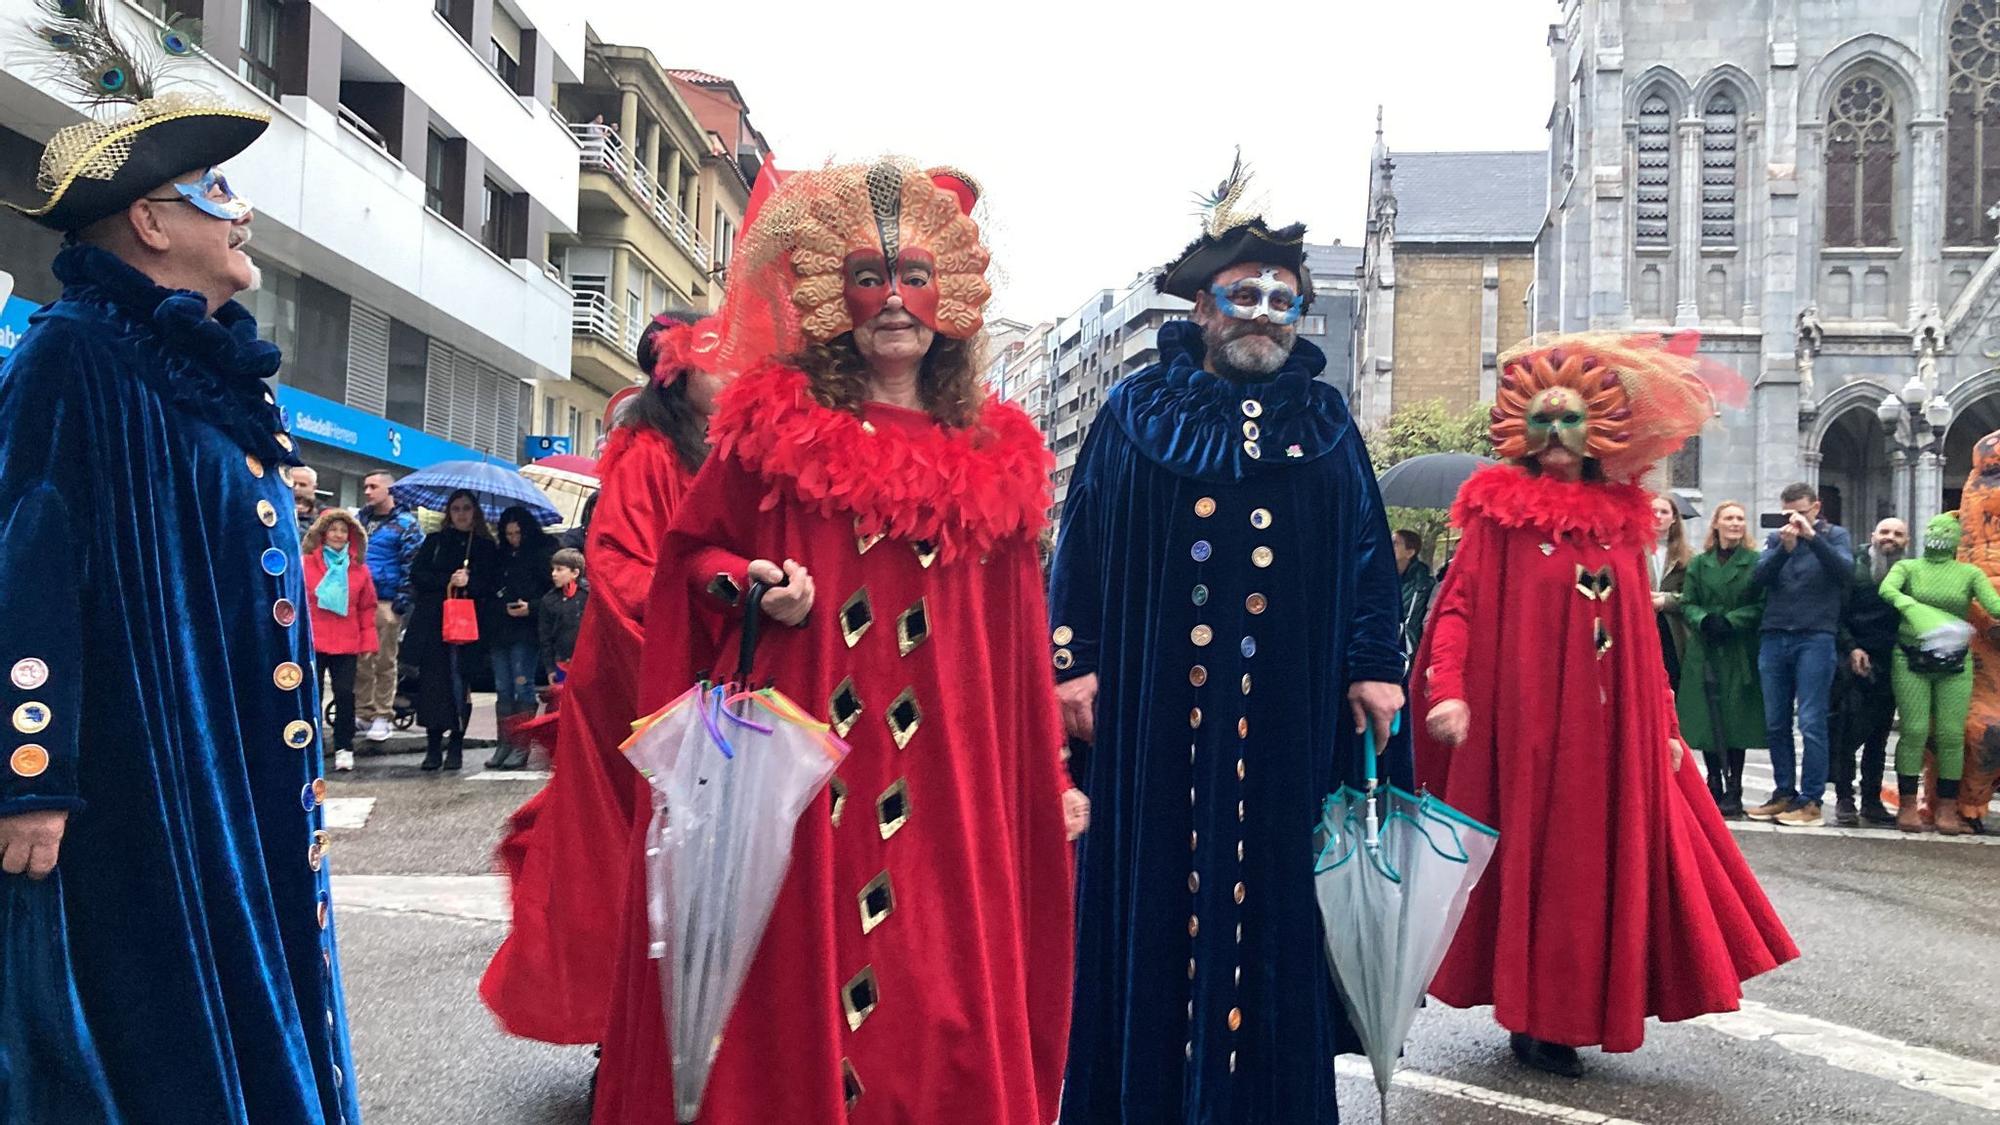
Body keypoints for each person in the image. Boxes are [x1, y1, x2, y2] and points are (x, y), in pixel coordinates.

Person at [590, 159, 1076, 1125]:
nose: (893, 303)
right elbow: (691, 560)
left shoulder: (1000, 454)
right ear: (830, 295)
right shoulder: (769, 429)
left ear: (954, 299)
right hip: (797, 786)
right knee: (787, 1001)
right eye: (868, 278)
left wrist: (1046, 774)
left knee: (941, 1004)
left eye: (915, 280)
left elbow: (1019, 648)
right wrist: (749, 585)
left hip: (950, 789)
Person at [0, 44, 358, 1123]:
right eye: (216, 193)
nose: (239, 214)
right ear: (149, 223)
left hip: (229, 776)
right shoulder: (75, 355)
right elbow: (34, 559)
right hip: (139, 781)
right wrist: (32, 771)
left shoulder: (187, 367)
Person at [1050, 161, 1405, 1124]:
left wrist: (1376, 664)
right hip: (1154, 718)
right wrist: (1071, 663)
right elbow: (1076, 546)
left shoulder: (1326, 420)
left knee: (1281, 912)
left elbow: (1372, 553)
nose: (1263, 312)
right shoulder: (1135, 413)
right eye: (1242, 295)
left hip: (1290, 719)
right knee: (1154, 906)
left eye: (1281, 299)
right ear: (1202, 308)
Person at [1415, 332, 1795, 1077]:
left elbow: (1639, 640)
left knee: (1593, 874)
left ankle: (1570, 1010)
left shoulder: (1625, 527)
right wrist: (1448, 689)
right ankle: (1534, 1014)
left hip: (1606, 736)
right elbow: (1454, 609)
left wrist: (1664, 723)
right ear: (1520, 425)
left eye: (1572, 420)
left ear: (1603, 429)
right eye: (1543, 420)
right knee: (1528, 865)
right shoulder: (1495, 519)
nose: (1556, 436)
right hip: (1522, 729)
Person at [481, 312, 723, 1045]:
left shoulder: (721, 447)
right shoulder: (647, 453)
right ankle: (625, 1029)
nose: (738, 376)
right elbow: (621, 571)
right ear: (680, 374)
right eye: (721, 362)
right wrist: (702, 617)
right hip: (641, 687)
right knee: (622, 858)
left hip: (704, 674)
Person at [1879, 514, 2000, 835]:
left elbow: (1993, 605)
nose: (1938, 535)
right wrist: (1912, 607)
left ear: (1957, 538)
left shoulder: (1969, 573)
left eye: (1946, 531)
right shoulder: (1909, 568)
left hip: (1955, 662)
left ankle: (1947, 805)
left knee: (1951, 735)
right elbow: (1887, 590)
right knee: (1915, 730)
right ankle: (1907, 802)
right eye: (1933, 529)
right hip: (1910, 658)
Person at [1749, 482, 1854, 826]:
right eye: (1787, 512)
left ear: (1816, 507)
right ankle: (1783, 793)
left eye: (1799, 511)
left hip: (1815, 636)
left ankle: (1811, 800)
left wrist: (1811, 538)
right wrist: (1784, 548)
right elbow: (1758, 580)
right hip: (1776, 634)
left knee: (1811, 721)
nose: (1793, 518)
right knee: (1775, 721)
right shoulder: (1777, 540)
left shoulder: (1835, 536)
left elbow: (1844, 572)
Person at [1675, 500, 1764, 818]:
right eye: (1729, 518)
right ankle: (1713, 782)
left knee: (1735, 718)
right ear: (1717, 524)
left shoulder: (1755, 562)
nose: (1735, 523)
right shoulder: (1700, 564)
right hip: (1706, 646)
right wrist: (1704, 620)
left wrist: (1733, 620)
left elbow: (1761, 603)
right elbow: (1687, 601)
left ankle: (1735, 786)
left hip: (1738, 647)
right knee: (1707, 719)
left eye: (1740, 518)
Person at [405, 489, 498, 771]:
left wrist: (469, 582)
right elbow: (417, 576)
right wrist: (448, 579)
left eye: (466, 508)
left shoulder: (484, 546)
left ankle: (456, 743)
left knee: (461, 684)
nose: (461, 514)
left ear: (475, 512)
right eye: (456, 508)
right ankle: (433, 745)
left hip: (468, 624)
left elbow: (490, 586)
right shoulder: (434, 541)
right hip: (434, 624)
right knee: (434, 685)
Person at [1832, 517, 1906, 828]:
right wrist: (1851, 648)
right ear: (1872, 535)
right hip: (1853, 657)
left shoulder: (1909, 571)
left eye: (1898, 534)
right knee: (1847, 731)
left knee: (1878, 734)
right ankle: (1844, 798)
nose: (1891, 538)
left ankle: (1872, 800)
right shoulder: (1851, 566)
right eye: (1885, 532)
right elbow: (1836, 612)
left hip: (1891, 660)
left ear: (1906, 541)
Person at [303, 510, 381, 773]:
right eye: (333, 529)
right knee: (310, 694)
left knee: (345, 695)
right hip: (313, 639)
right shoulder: (306, 564)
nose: (338, 535)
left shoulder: (359, 569)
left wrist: (368, 642)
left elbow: (367, 607)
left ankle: (344, 746)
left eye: (343, 531)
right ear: (323, 533)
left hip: (347, 641)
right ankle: (309, 746)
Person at [485, 505, 557, 770]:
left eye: (517, 533)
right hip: (501, 629)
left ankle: (520, 744)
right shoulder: (500, 556)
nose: (513, 538)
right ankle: (504, 743)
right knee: (503, 687)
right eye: (509, 534)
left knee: (522, 684)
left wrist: (531, 608)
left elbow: (551, 595)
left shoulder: (541, 555)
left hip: (526, 632)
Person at [358, 468, 422, 743]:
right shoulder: (360, 519)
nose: (367, 492)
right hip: (359, 601)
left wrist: (401, 602)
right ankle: (363, 711)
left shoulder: (406, 524)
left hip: (386, 600)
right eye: (365, 486)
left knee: (384, 660)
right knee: (362, 660)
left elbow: (412, 564)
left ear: (388, 489)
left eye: (373, 486)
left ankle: (383, 714)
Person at [1650, 494, 1692, 684]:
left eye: (1664, 512)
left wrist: (1665, 601)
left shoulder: (1688, 556)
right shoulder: (1630, 550)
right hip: (1641, 623)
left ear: (1674, 518)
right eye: (1653, 511)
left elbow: (1693, 596)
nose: (1658, 516)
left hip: (1672, 629)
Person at [539, 547, 588, 679]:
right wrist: (550, 668)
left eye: (559, 569)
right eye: (553, 569)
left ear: (575, 572)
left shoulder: (590, 596)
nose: (554, 574)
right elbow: (545, 638)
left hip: (588, 661)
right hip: (562, 663)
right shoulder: (548, 600)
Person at [1395, 527, 1437, 660]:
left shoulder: (1424, 585)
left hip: (1408, 654)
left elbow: (1418, 624)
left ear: (1410, 552)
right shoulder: (1380, 578)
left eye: (1395, 543)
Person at [291, 463, 324, 536]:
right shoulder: (276, 510)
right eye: (293, 484)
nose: (296, 488)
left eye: (302, 485)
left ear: (314, 488)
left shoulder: (323, 517)